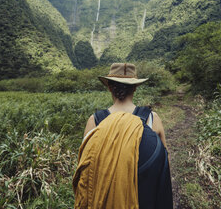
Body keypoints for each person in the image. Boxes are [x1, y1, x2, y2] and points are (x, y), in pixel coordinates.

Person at [73, 63, 173, 209]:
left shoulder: (95, 121)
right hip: (142, 199)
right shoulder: (152, 119)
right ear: (135, 87)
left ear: (109, 87)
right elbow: (164, 166)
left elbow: (85, 168)